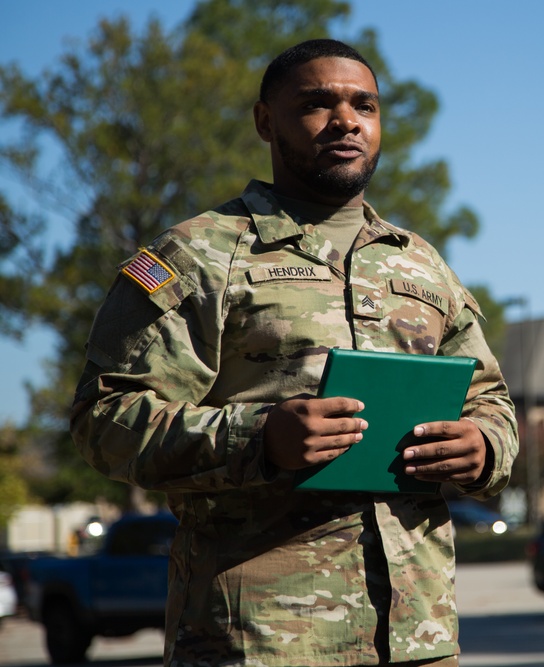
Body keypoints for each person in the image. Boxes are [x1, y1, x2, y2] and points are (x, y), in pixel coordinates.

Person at [70, 38, 518, 667]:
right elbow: (104, 421)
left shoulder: (419, 261)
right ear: (264, 122)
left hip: (417, 638)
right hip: (260, 638)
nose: (346, 121)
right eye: (315, 103)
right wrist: (260, 439)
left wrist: (483, 447)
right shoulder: (198, 256)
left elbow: (490, 398)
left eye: (365, 105)